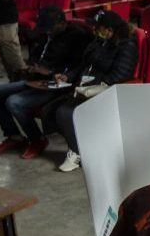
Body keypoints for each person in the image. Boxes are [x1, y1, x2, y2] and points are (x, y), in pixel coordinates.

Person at [0, 6, 91, 159]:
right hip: (36, 79)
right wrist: (32, 67)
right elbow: (36, 54)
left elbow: (80, 66)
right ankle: (14, 137)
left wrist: (54, 73)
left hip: (58, 85)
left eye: (50, 29)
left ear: (62, 23)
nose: (48, 32)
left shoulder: (78, 37)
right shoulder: (46, 34)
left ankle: (37, 140)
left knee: (14, 102)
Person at [51, 10, 138, 172]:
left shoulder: (127, 47)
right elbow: (84, 64)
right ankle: (80, 146)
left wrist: (91, 85)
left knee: (64, 112)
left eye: (98, 28)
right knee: (50, 110)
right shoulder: (99, 41)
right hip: (84, 88)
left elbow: (119, 76)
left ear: (109, 30)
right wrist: (68, 76)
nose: (94, 30)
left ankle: (77, 152)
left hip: (104, 92)